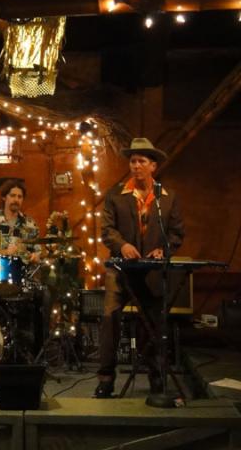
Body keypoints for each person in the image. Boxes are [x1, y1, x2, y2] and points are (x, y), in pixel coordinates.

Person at [95, 138, 184, 398]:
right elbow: (107, 230)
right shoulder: (116, 195)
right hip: (120, 270)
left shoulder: (167, 198)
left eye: (141, 161)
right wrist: (122, 245)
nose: (135, 166)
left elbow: (176, 233)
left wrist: (163, 250)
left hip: (151, 272)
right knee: (110, 317)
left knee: (154, 322)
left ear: (153, 166)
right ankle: (106, 378)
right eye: (132, 161)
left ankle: (156, 376)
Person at [0, 179, 49, 359]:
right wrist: (5, 252)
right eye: (12, 195)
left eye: (20, 196)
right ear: (4, 197)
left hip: (23, 281)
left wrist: (37, 256)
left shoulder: (29, 224)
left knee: (45, 297)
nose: (16, 199)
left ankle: (35, 354)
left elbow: (39, 251)